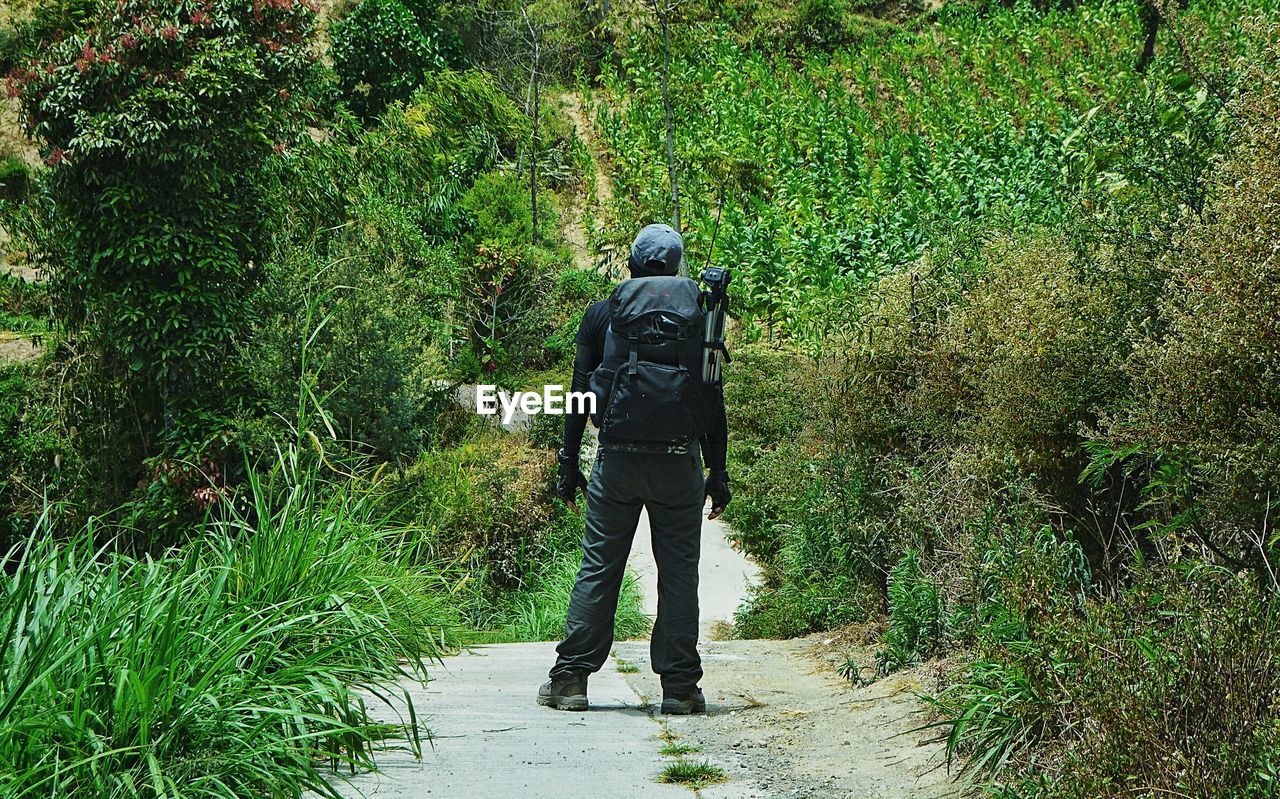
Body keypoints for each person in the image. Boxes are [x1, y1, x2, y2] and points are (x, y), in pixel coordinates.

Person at [537, 223, 731, 715]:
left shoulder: (604, 314)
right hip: (678, 463)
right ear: (677, 268)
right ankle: (681, 689)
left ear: (632, 266)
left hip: (617, 460)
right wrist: (718, 471)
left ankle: (570, 682)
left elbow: (580, 391)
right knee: (679, 574)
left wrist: (568, 461)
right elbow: (712, 396)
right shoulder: (701, 317)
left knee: (600, 568)